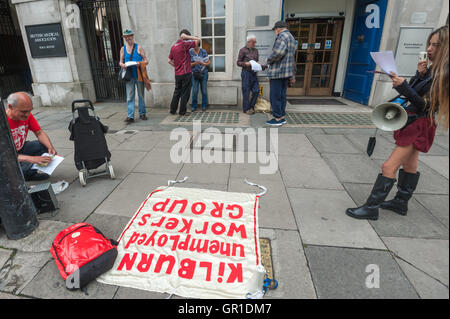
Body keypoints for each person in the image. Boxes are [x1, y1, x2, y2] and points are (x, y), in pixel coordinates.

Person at [346, 26, 449, 220]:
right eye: (429, 43)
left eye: (435, 45)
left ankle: (371, 207)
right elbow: (416, 93)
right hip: (418, 123)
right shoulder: (433, 71)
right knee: (410, 164)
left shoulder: (444, 75)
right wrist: (419, 75)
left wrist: (403, 86)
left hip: (419, 123)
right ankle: (401, 202)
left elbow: (424, 106)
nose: (429, 49)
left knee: (388, 166)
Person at [6, 92, 57, 181]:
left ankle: (29, 174)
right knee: (24, 166)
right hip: (6, 158)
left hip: (20, 150)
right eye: (24, 111)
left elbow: (39, 133)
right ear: (10, 107)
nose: (27, 114)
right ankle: (19, 176)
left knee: (42, 145)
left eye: (30, 110)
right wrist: (31, 159)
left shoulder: (27, 116)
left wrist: (50, 147)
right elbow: (4, 155)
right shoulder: (3, 122)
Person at [265, 21, 296, 126]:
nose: (275, 32)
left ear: (278, 28)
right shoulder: (291, 37)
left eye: (274, 30)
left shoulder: (282, 36)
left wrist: (268, 60)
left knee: (275, 96)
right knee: (282, 96)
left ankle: (277, 118)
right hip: (286, 72)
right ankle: (282, 117)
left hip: (278, 72)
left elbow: (278, 53)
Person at [119, 29, 149, 123]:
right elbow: (120, 62)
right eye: (126, 37)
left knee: (141, 95)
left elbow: (146, 61)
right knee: (129, 96)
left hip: (139, 75)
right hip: (129, 76)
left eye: (130, 36)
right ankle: (130, 116)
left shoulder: (138, 47)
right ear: (125, 38)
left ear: (132, 36)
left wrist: (139, 63)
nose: (128, 38)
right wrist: (122, 65)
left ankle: (142, 113)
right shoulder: (122, 49)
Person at [168, 30, 201, 115]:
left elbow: (169, 60)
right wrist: (187, 37)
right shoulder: (184, 44)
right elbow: (198, 40)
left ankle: (172, 110)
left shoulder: (173, 46)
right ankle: (182, 111)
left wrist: (176, 67)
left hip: (177, 74)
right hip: (186, 72)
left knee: (177, 92)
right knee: (185, 93)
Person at [237, 34, 266, 115]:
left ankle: (251, 107)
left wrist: (258, 63)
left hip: (254, 73)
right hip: (246, 73)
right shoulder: (242, 50)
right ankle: (246, 109)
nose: (255, 43)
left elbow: (257, 60)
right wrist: (245, 63)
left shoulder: (256, 50)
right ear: (249, 42)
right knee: (246, 91)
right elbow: (238, 62)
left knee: (256, 91)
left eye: (255, 42)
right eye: (253, 42)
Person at [190, 39, 210, 112]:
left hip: (203, 73)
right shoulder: (190, 52)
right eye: (193, 45)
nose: (195, 46)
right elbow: (188, 64)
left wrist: (203, 63)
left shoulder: (203, 51)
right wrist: (195, 63)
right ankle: (194, 106)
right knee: (195, 91)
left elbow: (208, 62)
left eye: (196, 45)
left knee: (204, 90)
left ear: (198, 45)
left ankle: (204, 105)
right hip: (194, 73)